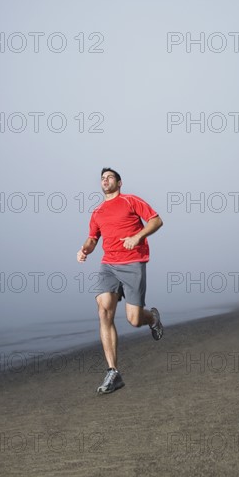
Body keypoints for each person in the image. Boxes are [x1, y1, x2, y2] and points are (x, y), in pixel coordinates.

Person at [77, 168, 163, 394]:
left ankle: (152, 317)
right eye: (102, 178)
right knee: (104, 310)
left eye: (110, 177)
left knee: (134, 319)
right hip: (109, 266)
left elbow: (156, 221)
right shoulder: (97, 212)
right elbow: (93, 238)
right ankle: (113, 372)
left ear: (119, 182)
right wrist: (85, 248)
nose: (105, 180)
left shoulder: (131, 201)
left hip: (133, 262)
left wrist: (137, 237)